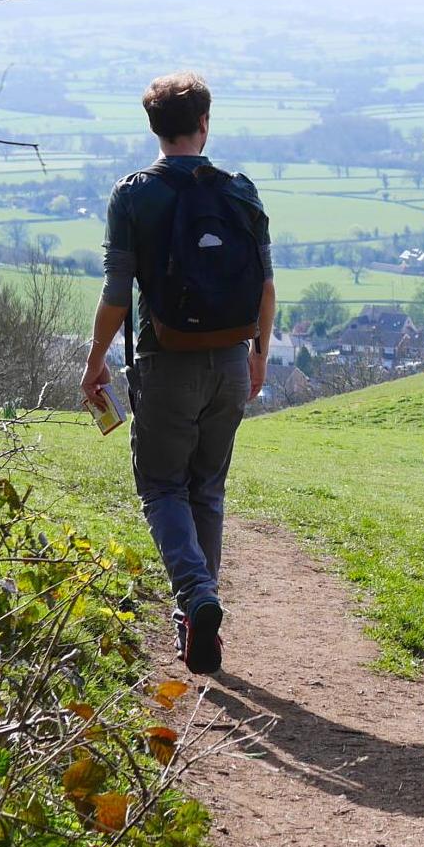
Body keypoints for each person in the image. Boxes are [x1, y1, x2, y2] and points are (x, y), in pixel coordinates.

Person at [81, 71, 274, 675]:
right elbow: (266, 286)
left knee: (162, 487)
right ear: (205, 124)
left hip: (164, 363)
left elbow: (118, 292)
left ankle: (197, 598)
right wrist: (259, 354)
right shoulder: (240, 190)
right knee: (206, 489)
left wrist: (95, 361)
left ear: (154, 127)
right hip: (231, 363)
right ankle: (200, 626)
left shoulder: (134, 194)